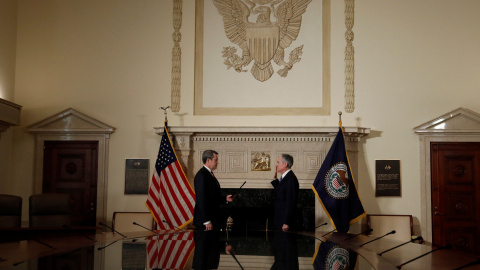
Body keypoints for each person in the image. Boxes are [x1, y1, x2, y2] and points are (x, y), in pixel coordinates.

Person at [193, 150, 234, 231]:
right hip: (205, 222)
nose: (217, 162)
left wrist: (225, 198)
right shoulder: (201, 175)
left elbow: (212, 196)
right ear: (208, 160)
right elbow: (201, 199)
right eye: (216, 160)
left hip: (212, 219)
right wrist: (206, 221)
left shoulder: (209, 174)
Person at [271, 154, 299, 231]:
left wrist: (286, 222)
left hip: (285, 222)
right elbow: (281, 193)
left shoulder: (290, 179)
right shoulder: (286, 178)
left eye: (278, 162)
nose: (276, 165)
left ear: (285, 164)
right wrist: (275, 180)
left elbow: (291, 202)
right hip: (280, 219)